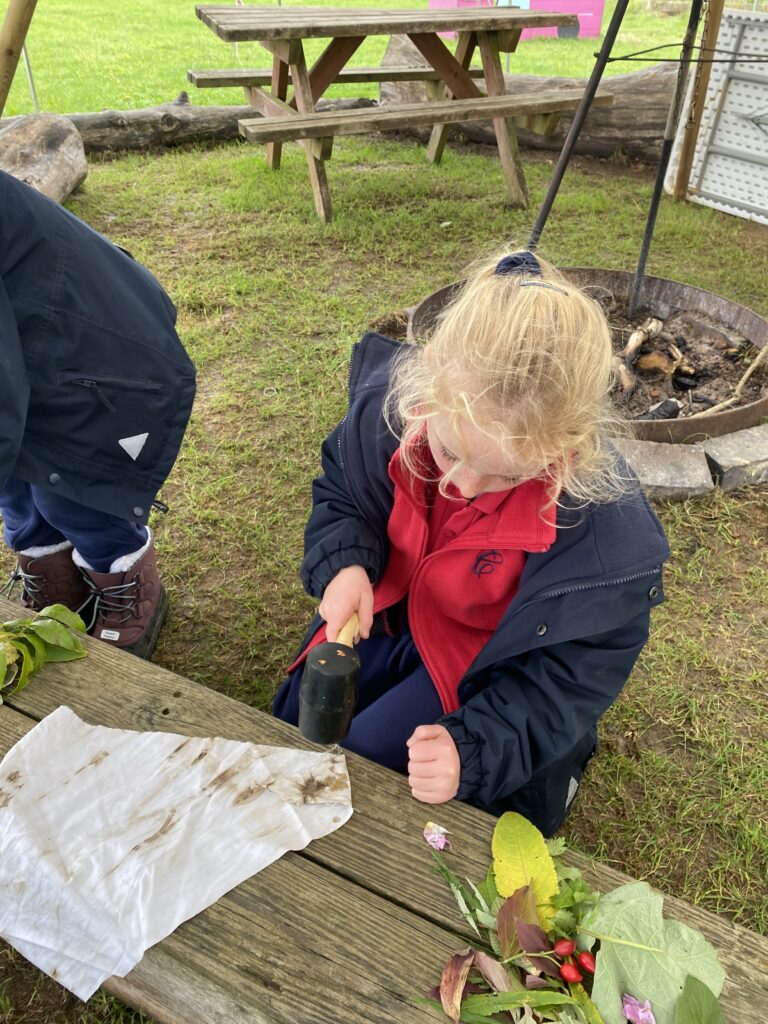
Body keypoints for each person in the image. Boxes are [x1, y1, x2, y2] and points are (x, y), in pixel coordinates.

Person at [272, 248, 670, 836]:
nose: (461, 484)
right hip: (392, 615)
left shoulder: (606, 549)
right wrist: (345, 565)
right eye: (450, 453)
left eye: (507, 475)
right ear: (426, 385)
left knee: (372, 766)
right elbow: (344, 493)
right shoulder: (389, 416)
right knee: (293, 722)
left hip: (483, 665)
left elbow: (565, 682)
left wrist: (474, 748)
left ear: (571, 448)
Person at [0, 169, 196, 659]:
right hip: (40, 350)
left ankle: (129, 588)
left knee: (75, 493)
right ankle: (57, 585)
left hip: (110, 355)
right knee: (19, 489)